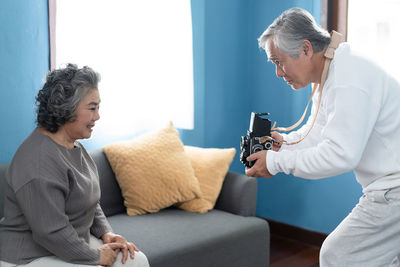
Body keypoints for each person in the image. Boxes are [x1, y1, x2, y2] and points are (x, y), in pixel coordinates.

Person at [246, 7, 400, 267]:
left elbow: (340, 155)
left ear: (306, 49)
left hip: (393, 189)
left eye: (279, 61)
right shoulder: (332, 72)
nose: (278, 73)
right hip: (387, 187)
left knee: (337, 255)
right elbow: (318, 136)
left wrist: (274, 163)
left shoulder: (347, 77)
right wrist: (282, 147)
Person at [0, 64, 149, 267]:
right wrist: (95, 257)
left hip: (68, 244)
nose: (97, 116)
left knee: (135, 261)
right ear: (67, 108)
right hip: (29, 255)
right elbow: (51, 232)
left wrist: (106, 233)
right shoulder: (38, 161)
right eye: (92, 108)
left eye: (98, 108)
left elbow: (89, 201)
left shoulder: (73, 146)